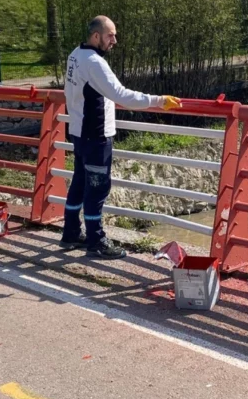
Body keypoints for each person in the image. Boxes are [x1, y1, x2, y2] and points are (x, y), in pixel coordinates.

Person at [63, 16, 181, 258]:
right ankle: (96, 241)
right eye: (110, 35)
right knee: (98, 187)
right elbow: (122, 96)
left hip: (78, 130)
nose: (114, 40)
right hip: (95, 133)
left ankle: (71, 232)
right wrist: (159, 101)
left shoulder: (76, 54)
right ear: (96, 36)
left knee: (80, 182)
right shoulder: (94, 62)